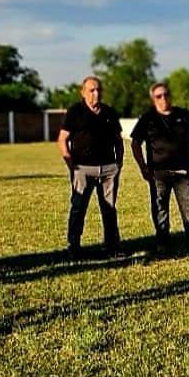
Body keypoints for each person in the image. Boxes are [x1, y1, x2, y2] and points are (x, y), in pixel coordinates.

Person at [57, 76, 126, 259]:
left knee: (109, 208)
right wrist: (72, 166)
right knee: (78, 207)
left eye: (98, 90)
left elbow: (118, 140)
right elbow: (62, 139)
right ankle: (74, 246)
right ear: (83, 92)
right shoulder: (75, 112)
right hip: (83, 169)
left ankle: (112, 246)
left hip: (108, 169)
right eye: (91, 90)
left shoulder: (109, 113)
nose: (96, 93)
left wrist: (118, 163)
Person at [130, 82, 189, 251]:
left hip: (183, 171)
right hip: (158, 173)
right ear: (153, 99)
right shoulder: (147, 119)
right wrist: (143, 167)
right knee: (160, 208)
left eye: (166, 94)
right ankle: (163, 242)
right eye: (159, 96)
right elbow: (135, 143)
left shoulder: (184, 115)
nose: (163, 99)